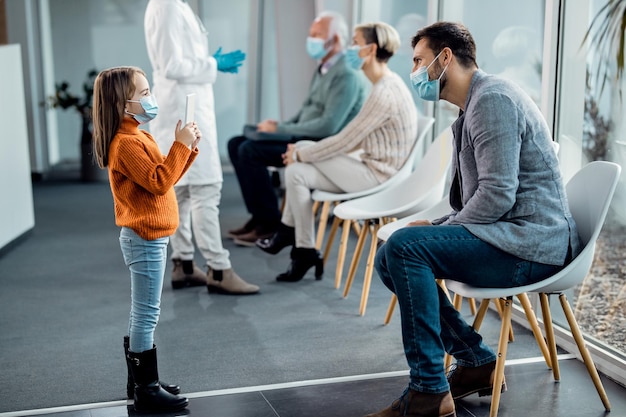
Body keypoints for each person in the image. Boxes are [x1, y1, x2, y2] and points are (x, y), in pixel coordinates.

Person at [365, 22, 581, 417]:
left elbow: (497, 195)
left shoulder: (493, 100)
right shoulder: (474, 106)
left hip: (531, 245)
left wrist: (440, 230)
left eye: (418, 61)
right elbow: (481, 198)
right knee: (389, 255)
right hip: (508, 234)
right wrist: (436, 227)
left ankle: (429, 391)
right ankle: (476, 362)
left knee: (404, 247)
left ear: (445, 57)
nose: (414, 72)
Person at [256, 22, 418, 283]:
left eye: (355, 43)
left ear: (371, 49)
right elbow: (354, 139)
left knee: (300, 155)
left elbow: (346, 139)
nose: (350, 49)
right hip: (369, 166)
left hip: (378, 175)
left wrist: (300, 152)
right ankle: (304, 249)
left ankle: (289, 233)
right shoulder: (384, 85)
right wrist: (300, 155)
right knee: (296, 171)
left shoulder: (385, 91)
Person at [92, 66, 198, 412]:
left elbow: (163, 177)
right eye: (146, 93)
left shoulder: (137, 136)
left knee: (144, 312)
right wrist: (179, 148)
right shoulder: (126, 144)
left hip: (149, 237)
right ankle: (147, 390)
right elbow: (159, 182)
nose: (151, 100)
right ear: (124, 104)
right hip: (144, 238)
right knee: (146, 314)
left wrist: (187, 149)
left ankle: (139, 381)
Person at [144, 0, 259, 295]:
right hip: (184, 107)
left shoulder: (170, 4)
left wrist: (207, 60)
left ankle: (183, 265)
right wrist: (212, 63)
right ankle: (219, 269)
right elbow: (173, 65)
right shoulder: (167, 5)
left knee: (180, 192)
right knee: (205, 188)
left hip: (181, 106)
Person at [227, 10, 370, 246]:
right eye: (311, 34)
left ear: (335, 40)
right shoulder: (323, 68)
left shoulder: (346, 74)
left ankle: (268, 223)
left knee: (249, 150)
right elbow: (306, 111)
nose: (311, 40)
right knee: (236, 143)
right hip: (303, 135)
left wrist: (279, 129)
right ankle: (258, 217)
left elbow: (328, 125)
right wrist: (276, 127)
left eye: (317, 35)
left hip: (320, 145)